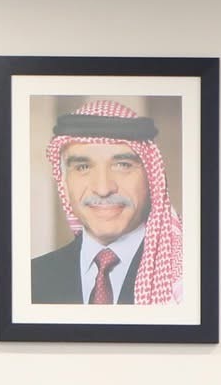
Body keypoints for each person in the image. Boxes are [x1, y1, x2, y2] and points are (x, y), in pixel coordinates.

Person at [31, 100, 185, 305]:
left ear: (151, 178)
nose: (103, 189)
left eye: (122, 165)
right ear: (65, 184)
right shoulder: (31, 279)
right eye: (83, 167)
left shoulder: (186, 275)